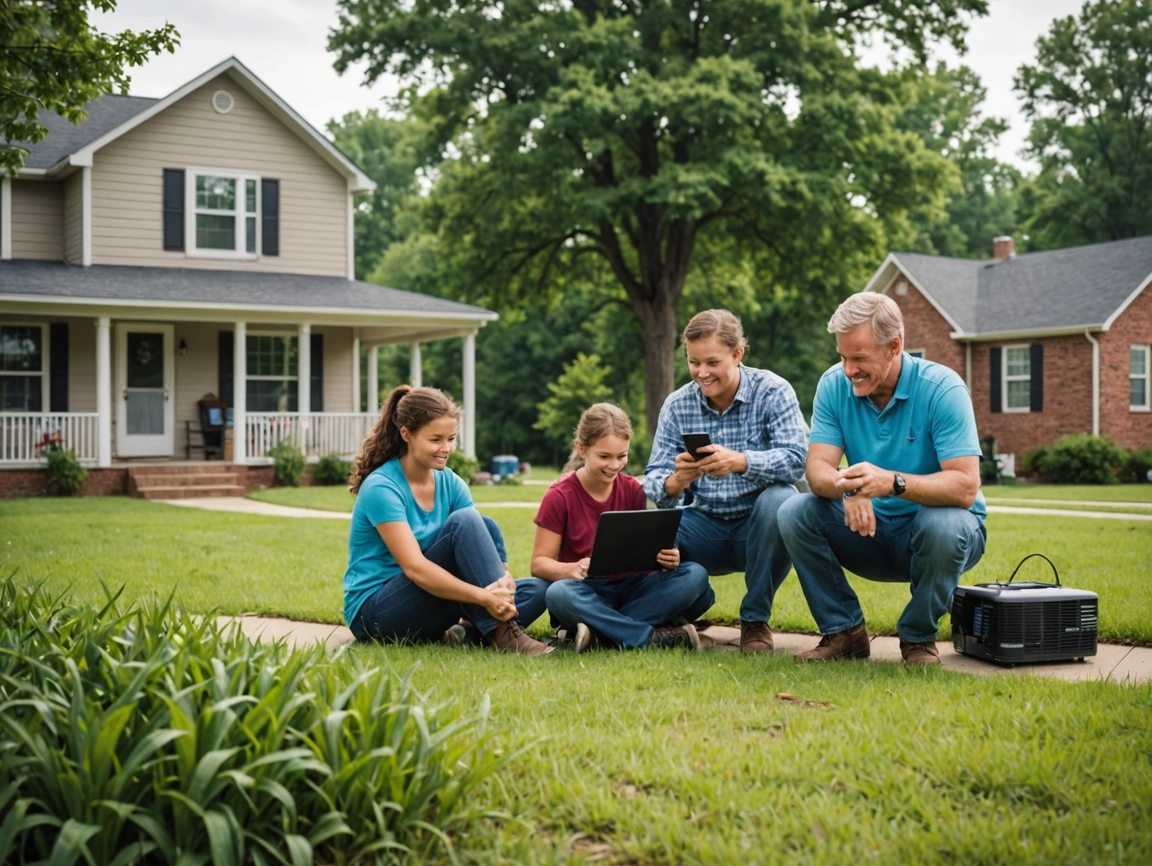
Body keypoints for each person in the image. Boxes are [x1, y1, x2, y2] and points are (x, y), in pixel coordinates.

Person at [777, 292, 987, 666]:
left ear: (894, 346)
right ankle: (845, 634)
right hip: (868, 530)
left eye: (859, 358)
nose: (848, 369)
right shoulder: (832, 385)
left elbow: (966, 486)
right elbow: (817, 469)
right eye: (843, 357)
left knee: (943, 524)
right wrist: (852, 486)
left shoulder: (943, 389)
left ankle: (918, 638)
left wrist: (891, 482)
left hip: (935, 533)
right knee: (795, 510)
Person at [643, 310, 808, 653]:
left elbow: (798, 460)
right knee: (651, 530)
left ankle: (755, 620)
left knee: (782, 500)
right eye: (693, 362)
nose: (702, 373)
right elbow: (654, 479)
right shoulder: (677, 405)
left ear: (737, 354)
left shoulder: (773, 391)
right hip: (703, 526)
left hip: (758, 527)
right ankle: (674, 613)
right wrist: (677, 480)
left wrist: (741, 462)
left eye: (712, 362)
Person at [343, 385, 552, 654]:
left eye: (451, 438)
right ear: (406, 434)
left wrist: (503, 581)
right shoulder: (382, 487)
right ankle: (504, 634)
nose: (446, 448)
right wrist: (484, 597)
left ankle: (467, 629)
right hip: (376, 613)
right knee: (465, 520)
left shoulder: (451, 483)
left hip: (431, 600)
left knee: (536, 589)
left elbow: (479, 538)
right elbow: (415, 568)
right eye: (436, 439)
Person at [534, 403, 714, 651]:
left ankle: (599, 632)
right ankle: (647, 636)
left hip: (632, 589)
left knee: (696, 577)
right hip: (586, 589)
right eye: (604, 457)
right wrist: (571, 568)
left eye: (622, 456)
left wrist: (666, 558)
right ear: (581, 449)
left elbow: (642, 551)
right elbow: (539, 564)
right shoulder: (559, 495)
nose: (614, 465)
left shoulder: (632, 489)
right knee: (558, 594)